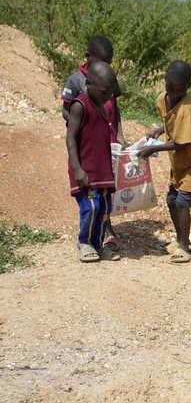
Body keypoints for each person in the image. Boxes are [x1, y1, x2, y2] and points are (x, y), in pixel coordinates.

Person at [138, 60, 191, 263]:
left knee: (181, 203)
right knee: (171, 200)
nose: (173, 92)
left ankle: (184, 246)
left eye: (179, 89)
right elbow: (171, 123)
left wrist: (154, 148)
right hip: (180, 163)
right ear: (165, 81)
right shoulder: (164, 99)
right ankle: (181, 240)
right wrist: (159, 130)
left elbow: (181, 143)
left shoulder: (187, 108)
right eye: (170, 87)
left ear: (188, 86)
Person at [61, 35, 126, 252]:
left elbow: (114, 110)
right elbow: (67, 115)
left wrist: (119, 135)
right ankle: (85, 242)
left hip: (103, 152)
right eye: (101, 61)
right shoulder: (76, 85)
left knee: (104, 201)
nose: (108, 97)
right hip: (85, 149)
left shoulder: (107, 84)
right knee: (90, 203)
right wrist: (81, 124)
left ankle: (101, 238)